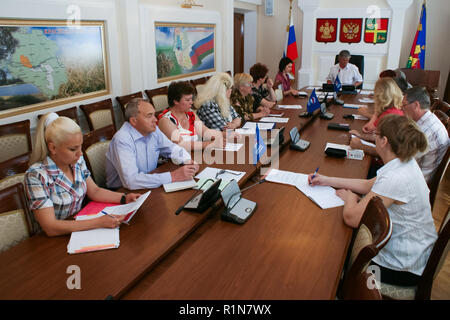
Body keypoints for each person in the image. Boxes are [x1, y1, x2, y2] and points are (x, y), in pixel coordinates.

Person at [309, 114, 437, 286]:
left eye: (376, 135)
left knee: (331, 254)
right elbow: (367, 184)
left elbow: (351, 218)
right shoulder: (403, 163)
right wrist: (327, 180)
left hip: (402, 266)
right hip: (414, 252)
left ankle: (338, 288)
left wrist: (350, 199)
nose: (374, 138)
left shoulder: (396, 177)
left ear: (383, 141)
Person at [24, 113, 141, 237]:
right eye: (73, 149)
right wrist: (99, 222)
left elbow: (94, 191)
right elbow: (51, 227)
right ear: (53, 148)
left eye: (80, 147)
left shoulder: (76, 161)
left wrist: (124, 198)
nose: (80, 154)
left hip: (80, 227)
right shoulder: (36, 175)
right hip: (54, 239)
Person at [105, 98, 199, 190]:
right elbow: (131, 181)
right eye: (149, 116)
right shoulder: (122, 140)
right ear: (134, 121)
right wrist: (173, 176)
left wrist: (187, 160)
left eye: (154, 115)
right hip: (122, 192)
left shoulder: (153, 130)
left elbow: (172, 148)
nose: (155, 120)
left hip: (149, 182)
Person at [158, 81, 225, 151]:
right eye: (187, 100)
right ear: (175, 101)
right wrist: (211, 144)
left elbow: (205, 132)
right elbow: (181, 144)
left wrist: (228, 135)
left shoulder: (190, 113)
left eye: (191, 99)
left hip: (194, 155)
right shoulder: (165, 120)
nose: (192, 102)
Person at [401, 86, 449, 183]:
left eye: (404, 105)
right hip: (415, 173)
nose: (401, 109)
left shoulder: (425, 131)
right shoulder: (428, 120)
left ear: (415, 105)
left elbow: (399, 160)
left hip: (415, 183)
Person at [350, 77, 404, 156]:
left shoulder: (389, 116)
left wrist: (361, 146)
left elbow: (388, 153)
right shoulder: (394, 110)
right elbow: (380, 137)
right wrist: (361, 136)